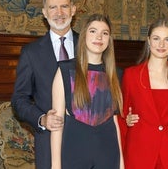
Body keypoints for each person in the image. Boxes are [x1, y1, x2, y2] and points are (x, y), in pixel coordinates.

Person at [11, 0, 78, 169]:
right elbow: (19, 99)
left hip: (86, 141)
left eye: (64, 6)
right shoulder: (30, 53)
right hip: (49, 142)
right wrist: (42, 119)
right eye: (53, 7)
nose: (59, 13)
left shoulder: (89, 46)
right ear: (44, 13)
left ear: (73, 9)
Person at [51, 13, 124, 169]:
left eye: (105, 33)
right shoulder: (65, 70)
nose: (99, 37)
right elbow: (57, 123)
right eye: (93, 31)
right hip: (75, 152)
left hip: (108, 153)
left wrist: (121, 164)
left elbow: (115, 121)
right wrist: (55, 165)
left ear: (109, 40)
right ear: (84, 35)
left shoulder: (116, 74)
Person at [119, 17, 168, 169]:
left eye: (167, 39)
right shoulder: (131, 75)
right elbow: (121, 116)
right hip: (139, 155)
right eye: (156, 38)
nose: (161, 44)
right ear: (149, 41)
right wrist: (127, 119)